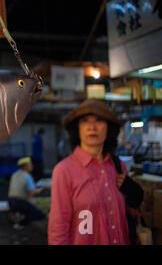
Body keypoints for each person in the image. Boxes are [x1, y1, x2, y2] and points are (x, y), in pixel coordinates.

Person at [48, 99, 129, 245]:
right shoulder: (64, 170)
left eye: (99, 120)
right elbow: (58, 228)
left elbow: (128, 215)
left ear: (108, 128)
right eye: (85, 121)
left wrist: (135, 196)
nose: (92, 127)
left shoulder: (118, 167)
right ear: (77, 128)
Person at [8, 157, 46, 228]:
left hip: (10, 202)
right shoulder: (27, 176)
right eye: (30, 164)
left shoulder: (15, 174)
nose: (32, 166)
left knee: (27, 208)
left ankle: (16, 215)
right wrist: (42, 189)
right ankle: (21, 221)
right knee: (39, 214)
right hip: (20, 202)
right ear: (26, 166)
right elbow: (32, 192)